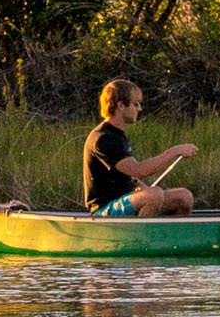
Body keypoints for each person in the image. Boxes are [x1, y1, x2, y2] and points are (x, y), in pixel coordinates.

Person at [82, 78, 199, 216]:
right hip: (104, 209)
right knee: (154, 195)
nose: (140, 109)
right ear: (120, 105)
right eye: (135, 104)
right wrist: (175, 151)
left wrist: (142, 188)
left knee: (184, 197)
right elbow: (138, 170)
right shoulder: (103, 138)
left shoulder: (118, 134)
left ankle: (168, 237)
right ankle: (141, 237)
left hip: (126, 199)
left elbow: (128, 175)